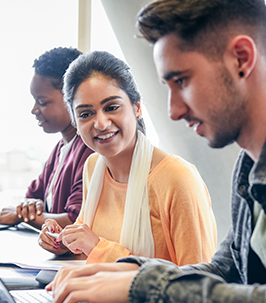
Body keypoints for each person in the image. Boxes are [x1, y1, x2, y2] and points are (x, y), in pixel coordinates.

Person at [46, 0, 266, 302]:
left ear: (242, 58)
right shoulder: (251, 160)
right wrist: (124, 272)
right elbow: (228, 271)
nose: (173, 111)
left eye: (182, 81)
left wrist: (143, 285)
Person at [39, 50, 217, 265]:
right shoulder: (93, 167)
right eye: (86, 114)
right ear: (75, 123)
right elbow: (88, 251)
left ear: (137, 108)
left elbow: (198, 284)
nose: (101, 123)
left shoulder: (177, 178)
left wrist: (98, 247)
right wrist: (62, 242)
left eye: (112, 107)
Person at [0, 47, 94, 230]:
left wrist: (21, 215)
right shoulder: (60, 149)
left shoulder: (90, 151)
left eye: (42, 102)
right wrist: (28, 209)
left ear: (72, 98)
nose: (34, 110)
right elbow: (32, 197)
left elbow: (75, 221)